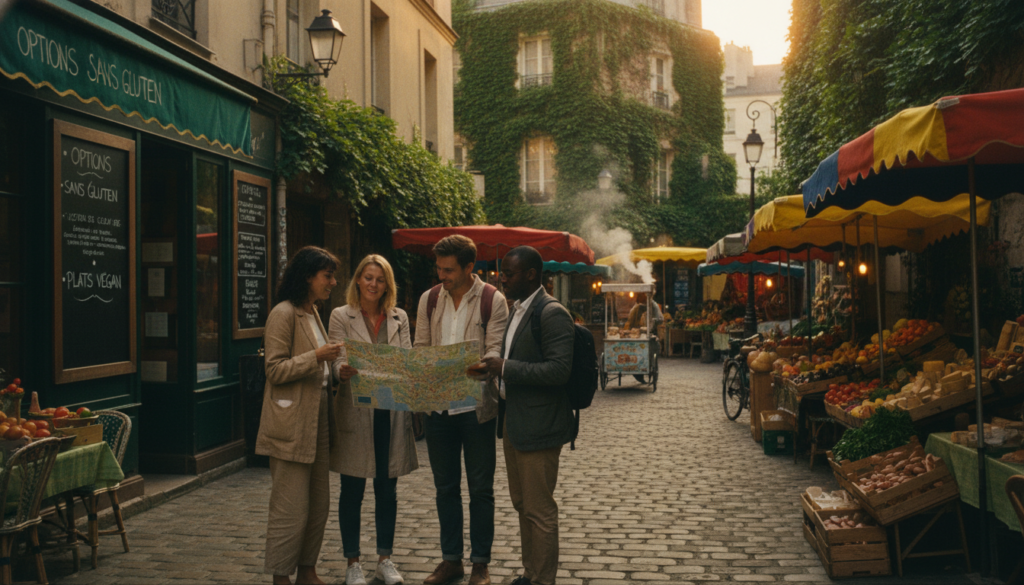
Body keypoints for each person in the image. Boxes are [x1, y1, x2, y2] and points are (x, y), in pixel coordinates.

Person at [414, 236, 509, 585]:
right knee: (445, 488)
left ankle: (480, 564)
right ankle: (450, 560)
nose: (442, 275)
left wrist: (485, 366)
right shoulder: (429, 299)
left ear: (470, 267)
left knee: (481, 488)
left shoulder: (492, 299)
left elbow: (495, 348)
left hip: (476, 408)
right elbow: (421, 348)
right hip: (439, 409)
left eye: (449, 270)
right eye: (439, 268)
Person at [479, 246, 575, 585]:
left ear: (531, 274)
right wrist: (493, 370)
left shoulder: (552, 313)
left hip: (540, 426)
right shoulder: (518, 309)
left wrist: (506, 367)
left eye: (509, 273)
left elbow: (559, 370)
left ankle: (543, 579)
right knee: (522, 504)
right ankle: (530, 572)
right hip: (515, 422)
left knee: (539, 509)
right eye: (502, 273)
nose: (502, 279)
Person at [256, 246, 344, 585]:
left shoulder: (313, 312)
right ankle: (281, 577)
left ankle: (307, 571)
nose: (333, 283)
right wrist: (317, 356)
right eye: (327, 276)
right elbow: (274, 370)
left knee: (318, 504)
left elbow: (322, 372)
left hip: (319, 417)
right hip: (290, 423)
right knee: (289, 508)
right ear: (307, 276)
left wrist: (338, 372)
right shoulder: (283, 313)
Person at [328, 254, 418, 585]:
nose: (373, 284)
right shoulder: (341, 315)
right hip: (355, 411)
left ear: (387, 285)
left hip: (389, 412)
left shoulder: (399, 317)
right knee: (352, 489)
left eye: (380, 280)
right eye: (368, 277)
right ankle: (352, 562)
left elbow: (406, 359)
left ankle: (384, 560)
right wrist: (341, 370)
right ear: (358, 280)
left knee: (387, 488)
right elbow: (335, 358)